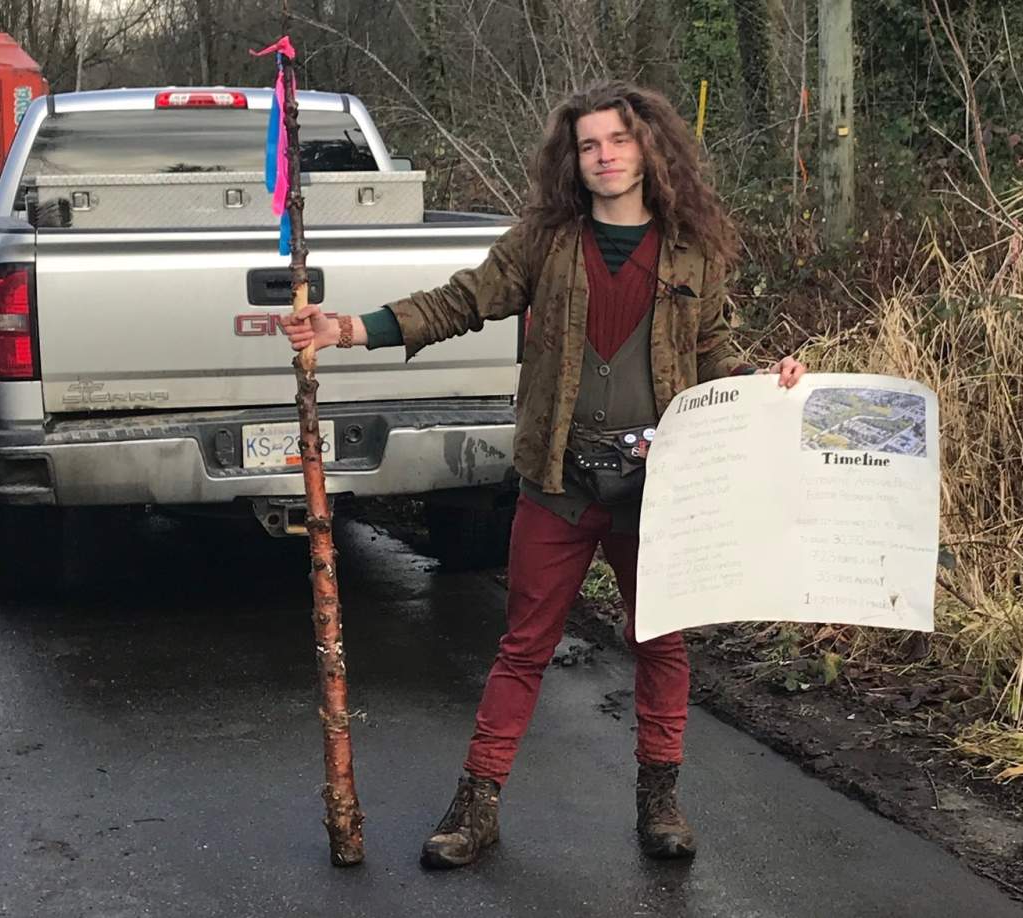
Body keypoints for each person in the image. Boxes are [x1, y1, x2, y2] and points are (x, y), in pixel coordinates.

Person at [281, 80, 807, 868]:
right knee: (523, 645)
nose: (605, 156)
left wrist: (770, 383)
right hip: (557, 480)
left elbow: (713, 358)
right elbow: (463, 300)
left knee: (660, 644)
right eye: (590, 144)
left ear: (649, 147)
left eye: (619, 141)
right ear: (575, 156)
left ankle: (660, 801)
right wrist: (353, 327)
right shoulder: (545, 240)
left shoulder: (693, 247)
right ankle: (477, 805)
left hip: (658, 490)